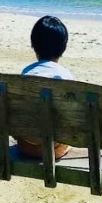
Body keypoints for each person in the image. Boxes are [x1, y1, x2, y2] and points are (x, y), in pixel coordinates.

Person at [17, 16, 75, 160]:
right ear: (63, 47)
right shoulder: (66, 76)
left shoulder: (26, 73)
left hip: (26, 146)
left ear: (33, 44)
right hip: (54, 149)